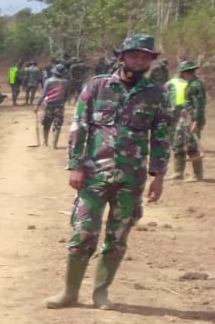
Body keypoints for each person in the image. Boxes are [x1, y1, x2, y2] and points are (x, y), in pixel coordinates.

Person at [45, 34, 170, 310]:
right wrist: (75, 165)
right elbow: (79, 126)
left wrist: (158, 175)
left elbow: (161, 136)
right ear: (122, 56)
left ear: (150, 61)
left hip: (131, 180)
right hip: (93, 176)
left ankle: (101, 293)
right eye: (134, 55)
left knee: (118, 236)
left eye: (145, 57)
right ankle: (69, 292)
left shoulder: (158, 94)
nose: (139, 61)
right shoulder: (97, 86)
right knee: (83, 233)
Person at [166, 61, 207, 180]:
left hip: (192, 119)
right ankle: (178, 172)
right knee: (178, 143)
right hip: (183, 118)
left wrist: (196, 122)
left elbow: (199, 106)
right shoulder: (189, 83)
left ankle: (197, 174)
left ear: (184, 72)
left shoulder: (196, 85)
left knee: (192, 146)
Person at [36, 63, 71, 147]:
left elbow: (43, 94)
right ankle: (54, 144)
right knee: (58, 125)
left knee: (46, 124)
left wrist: (37, 105)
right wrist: (62, 102)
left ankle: (45, 142)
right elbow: (67, 96)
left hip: (49, 105)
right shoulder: (66, 82)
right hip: (60, 106)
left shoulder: (48, 81)